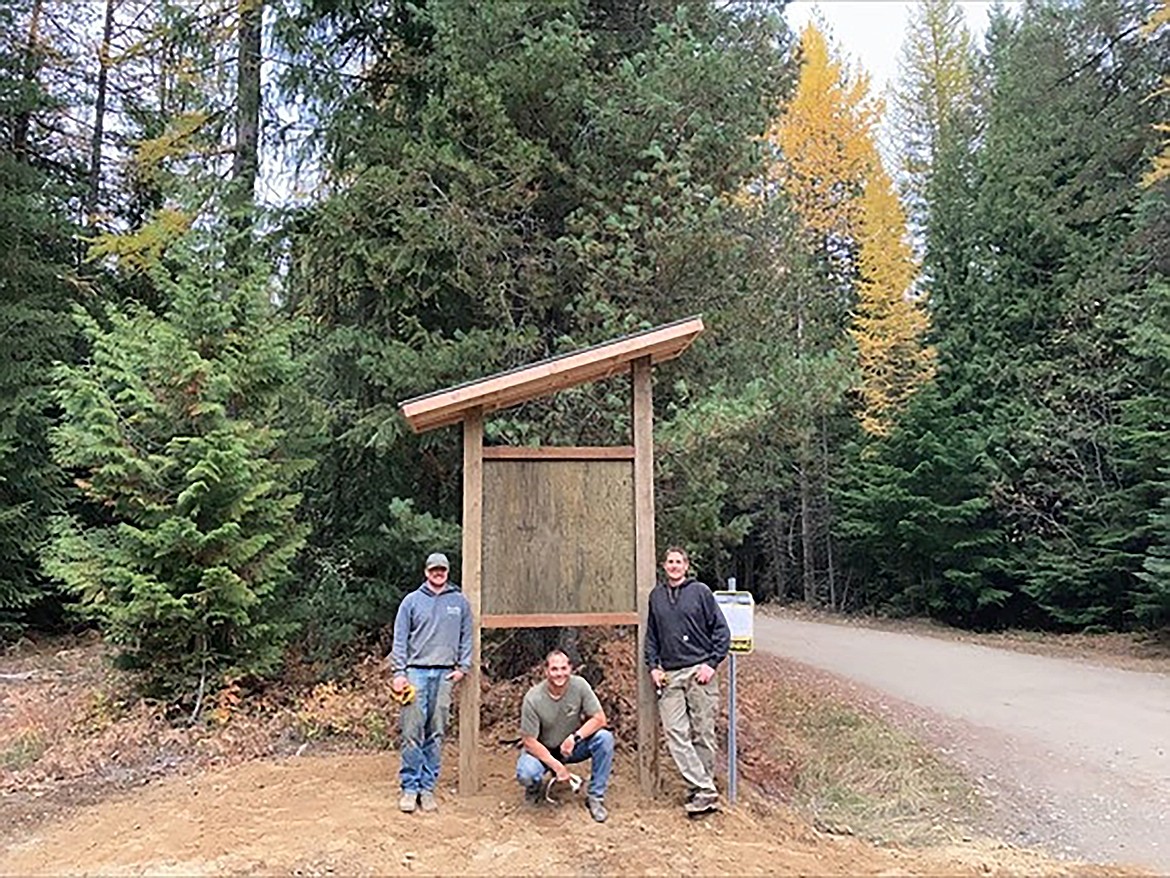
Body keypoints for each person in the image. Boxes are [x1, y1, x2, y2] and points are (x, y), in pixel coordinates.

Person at [645, 546, 730, 814]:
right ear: (664, 565)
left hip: (698, 671)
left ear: (686, 565)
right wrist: (653, 666)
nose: (674, 566)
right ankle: (704, 787)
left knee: (703, 731)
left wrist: (711, 663)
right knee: (675, 732)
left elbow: (721, 630)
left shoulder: (700, 592)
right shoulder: (656, 596)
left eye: (678, 562)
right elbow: (652, 637)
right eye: (670, 562)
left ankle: (700, 792)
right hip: (669, 674)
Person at [389, 552, 472, 814]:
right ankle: (409, 788)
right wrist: (399, 673)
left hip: (446, 674)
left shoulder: (459, 602)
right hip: (416, 673)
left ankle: (427, 788)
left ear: (448, 572)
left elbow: (467, 636)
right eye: (434, 570)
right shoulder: (411, 602)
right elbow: (400, 640)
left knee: (436, 733)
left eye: (443, 570)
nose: (438, 574)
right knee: (412, 732)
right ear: (426, 572)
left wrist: (463, 667)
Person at [516, 649, 614, 823]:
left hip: (571, 748)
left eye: (563, 668)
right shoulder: (533, 698)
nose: (559, 674)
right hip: (543, 751)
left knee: (604, 739)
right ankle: (534, 788)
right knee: (526, 773)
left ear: (570, 668)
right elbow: (529, 741)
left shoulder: (580, 686)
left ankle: (595, 796)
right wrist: (557, 767)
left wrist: (575, 737)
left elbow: (600, 719)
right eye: (554, 669)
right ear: (546, 671)